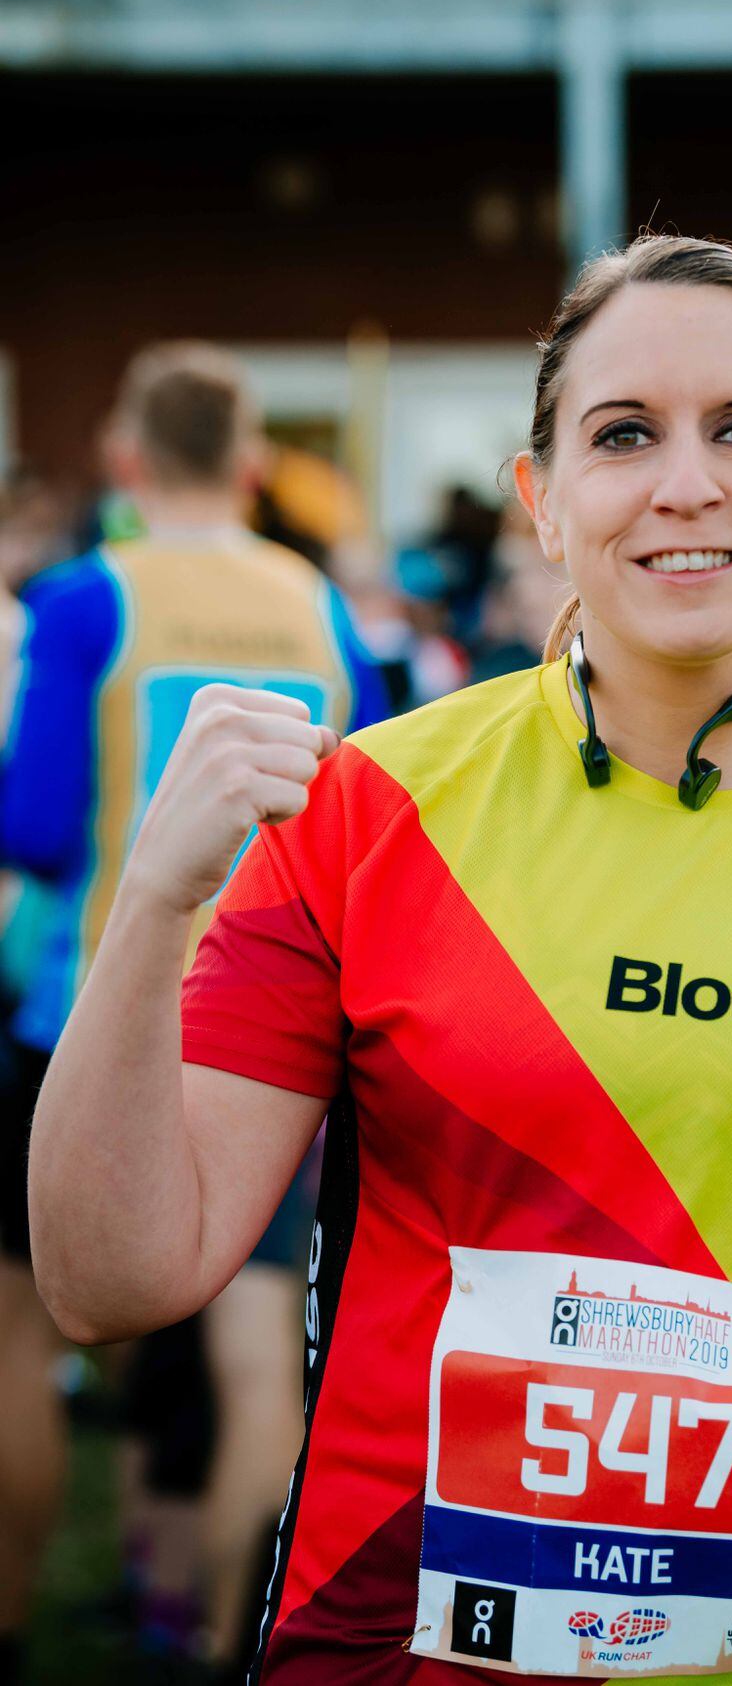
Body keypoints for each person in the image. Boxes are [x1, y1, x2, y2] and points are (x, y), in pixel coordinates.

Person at [30, 238, 732, 1686]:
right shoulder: (372, 810)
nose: (687, 481)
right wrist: (152, 904)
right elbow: (106, 1277)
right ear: (542, 501)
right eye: (624, 434)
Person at [0, 343, 385, 1682]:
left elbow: (37, 824)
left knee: (23, 1329)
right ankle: (218, 1627)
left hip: (90, 1016)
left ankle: (11, 1612)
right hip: (281, 1025)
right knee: (249, 1351)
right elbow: (375, 821)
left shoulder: (81, 595)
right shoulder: (321, 605)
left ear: (121, 464)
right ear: (252, 466)